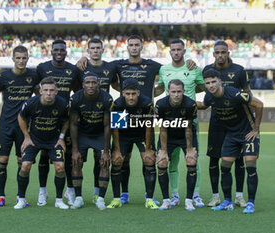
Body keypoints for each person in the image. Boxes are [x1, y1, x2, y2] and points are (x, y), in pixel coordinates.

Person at [77, 35, 196, 205]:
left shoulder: (152, 65)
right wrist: (84, 58)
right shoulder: (118, 65)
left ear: (141, 47)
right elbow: (98, 63)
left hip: (144, 114)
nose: (134, 48)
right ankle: (122, 195)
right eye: (131, 45)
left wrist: (188, 62)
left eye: (136, 45)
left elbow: (172, 69)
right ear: (127, 47)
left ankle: (149, 197)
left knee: (148, 158)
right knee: (121, 159)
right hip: (125, 115)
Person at [197, 69, 263, 214]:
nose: (211, 85)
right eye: (208, 83)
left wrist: (256, 129)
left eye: (214, 82)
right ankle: (227, 201)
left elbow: (259, 104)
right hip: (231, 135)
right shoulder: (209, 97)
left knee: (250, 166)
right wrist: (187, 102)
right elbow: (204, 105)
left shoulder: (234, 93)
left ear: (220, 81)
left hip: (248, 134)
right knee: (225, 167)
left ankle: (251, 203)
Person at [154, 39, 205, 208]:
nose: (176, 52)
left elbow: (202, 87)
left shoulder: (194, 68)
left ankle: (195, 196)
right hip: (169, 123)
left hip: (190, 123)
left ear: (184, 51)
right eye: (173, 49)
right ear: (170, 52)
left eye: (179, 49)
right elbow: (160, 88)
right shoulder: (164, 69)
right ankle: (174, 195)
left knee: (193, 159)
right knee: (171, 160)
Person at [202, 40, 252, 207]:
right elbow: (206, 97)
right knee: (214, 159)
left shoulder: (239, 71)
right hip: (217, 122)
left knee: (238, 159)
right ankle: (216, 195)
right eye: (217, 53)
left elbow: (247, 95)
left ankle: (239, 196)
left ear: (228, 53)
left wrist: (252, 124)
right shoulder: (208, 71)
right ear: (213, 54)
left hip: (237, 123)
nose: (220, 55)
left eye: (223, 52)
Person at [0, 45, 40, 207]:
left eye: (24, 58)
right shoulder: (3, 77)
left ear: (28, 58)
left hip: (24, 127)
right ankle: (1, 196)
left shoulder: (33, 76)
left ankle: (20, 197)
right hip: (5, 124)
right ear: (12, 59)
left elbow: (39, 97)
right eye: (18, 58)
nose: (21, 61)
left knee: (21, 161)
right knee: (3, 159)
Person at [36, 39, 81, 207]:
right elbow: (36, 88)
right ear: (52, 51)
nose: (59, 52)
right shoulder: (42, 68)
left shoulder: (73, 69)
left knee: (66, 155)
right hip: (45, 118)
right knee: (44, 155)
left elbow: (77, 89)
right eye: (56, 49)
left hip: (64, 119)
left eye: (62, 49)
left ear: (66, 51)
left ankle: (69, 190)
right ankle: (42, 192)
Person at [14, 77, 69, 210]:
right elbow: (20, 118)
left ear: (56, 91)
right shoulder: (31, 103)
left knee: (60, 167)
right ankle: (21, 199)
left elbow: (67, 120)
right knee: (25, 165)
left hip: (53, 140)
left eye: (51, 90)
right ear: (40, 91)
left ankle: (59, 200)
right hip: (34, 140)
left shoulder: (62, 104)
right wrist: (26, 137)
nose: (48, 93)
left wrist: (61, 137)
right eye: (45, 90)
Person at [108, 78, 158, 210]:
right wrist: (117, 150)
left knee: (149, 160)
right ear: (123, 93)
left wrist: (148, 149)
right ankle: (119, 197)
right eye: (128, 94)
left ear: (138, 93)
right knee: (118, 161)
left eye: (133, 94)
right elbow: (116, 129)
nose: (131, 97)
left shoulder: (146, 103)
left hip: (142, 133)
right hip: (124, 134)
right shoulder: (118, 104)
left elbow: (149, 127)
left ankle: (149, 199)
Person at [80, 38, 119, 203]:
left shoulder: (110, 67)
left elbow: (118, 85)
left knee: (101, 158)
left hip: (103, 117)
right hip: (84, 118)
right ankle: (73, 192)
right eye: (92, 48)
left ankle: (99, 193)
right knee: (76, 158)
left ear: (103, 50)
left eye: (98, 48)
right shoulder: (81, 67)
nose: (95, 50)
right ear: (88, 51)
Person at [69, 72, 113, 210]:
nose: (91, 85)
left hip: (100, 134)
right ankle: (78, 198)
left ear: (98, 84)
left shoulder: (106, 98)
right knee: (76, 162)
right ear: (83, 85)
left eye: (94, 82)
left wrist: (106, 151)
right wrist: (75, 150)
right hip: (82, 134)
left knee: (105, 163)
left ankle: (100, 199)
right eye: (87, 82)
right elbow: (73, 124)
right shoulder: (76, 98)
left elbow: (107, 125)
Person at [155, 79, 198, 211]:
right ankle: (166, 200)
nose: (176, 95)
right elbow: (162, 128)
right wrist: (163, 150)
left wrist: (190, 149)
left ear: (184, 91)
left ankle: (189, 200)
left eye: (179, 91)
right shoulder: (161, 104)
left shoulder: (191, 104)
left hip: (186, 136)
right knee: (162, 163)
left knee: (191, 161)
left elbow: (189, 128)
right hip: (168, 136)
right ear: (168, 92)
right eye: (173, 91)